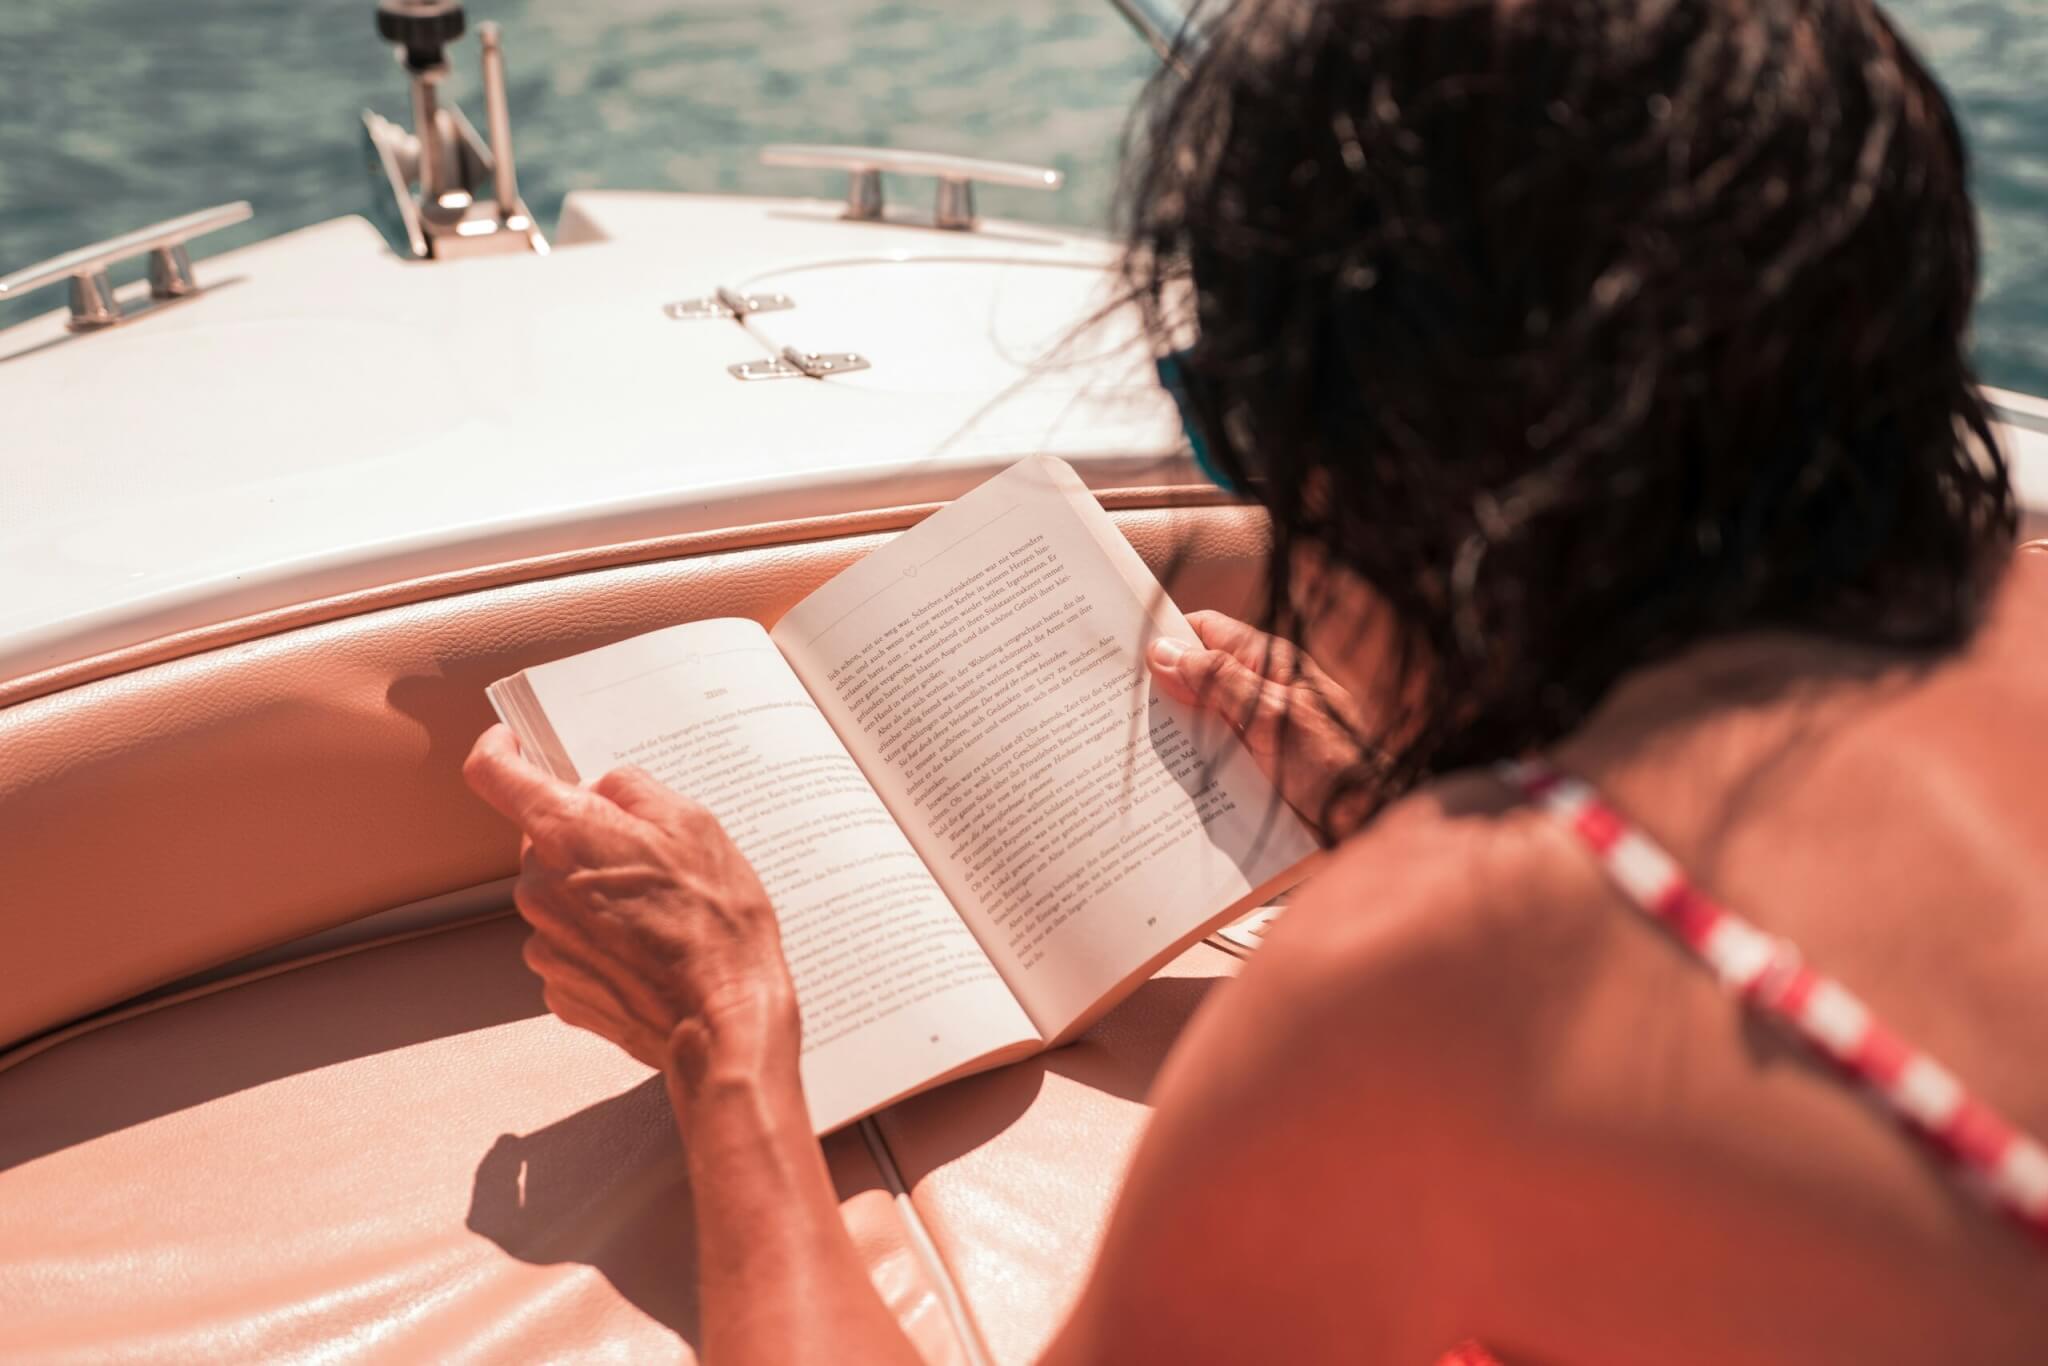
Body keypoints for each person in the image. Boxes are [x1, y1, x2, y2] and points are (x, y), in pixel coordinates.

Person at [461, 0, 2048, 1359]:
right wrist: (1403, 801)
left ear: (1419, 463)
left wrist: (723, 1038)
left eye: (1235, 415)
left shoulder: (1438, 972)